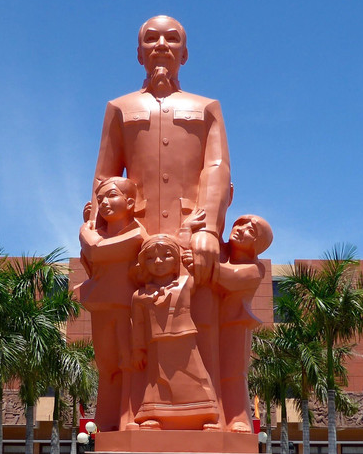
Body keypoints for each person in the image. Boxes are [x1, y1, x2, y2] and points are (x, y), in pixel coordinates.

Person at [92, 15, 231, 407]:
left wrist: (208, 227)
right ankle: (130, 414)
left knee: (200, 319)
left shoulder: (206, 108)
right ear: (139, 53)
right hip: (136, 238)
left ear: (184, 53)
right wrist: (100, 234)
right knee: (133, 328)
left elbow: (217, 168)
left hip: (191, 232)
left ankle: (209, 415)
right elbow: (104, 175)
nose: (161, 45)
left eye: (172, 39)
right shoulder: (119, 108)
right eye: (151, 39)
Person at [76, 176, 147, 431]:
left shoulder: (138, 234)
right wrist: (90, 230)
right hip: (102, 305)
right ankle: (106, 422)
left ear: (130, 203)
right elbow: (92, 257)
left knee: (130, 362)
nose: (105, 202)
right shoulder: (98, 233)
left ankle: (130, 417)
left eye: (111, 196)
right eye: (100, 199)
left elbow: (96, 250)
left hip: (128, 306)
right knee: (106, 365)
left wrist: (86, 227)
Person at [130, 235, 220, 431]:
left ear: (176, 261)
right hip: (157, 345)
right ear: (143, 263)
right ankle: (153, 415)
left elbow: (201, 270)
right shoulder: (139, 296)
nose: (158, 262)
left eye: (166, 256)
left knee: (196, 376)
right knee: (157, 380)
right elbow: (137, 325)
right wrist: (138, 350)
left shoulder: (186, 283)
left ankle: (207, 416)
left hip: (185, 339)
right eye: (151, 258)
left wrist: (191, 249)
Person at [215, 214, 273, 432]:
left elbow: (228, 277)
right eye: (238, 224)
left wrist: (203, 262)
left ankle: (238, 418)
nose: (239, 229)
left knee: (233, 373)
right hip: (208, 323)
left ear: (257, 244)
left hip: (235, 325)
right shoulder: (218, 251)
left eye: (250, 230)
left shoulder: (255, 269)